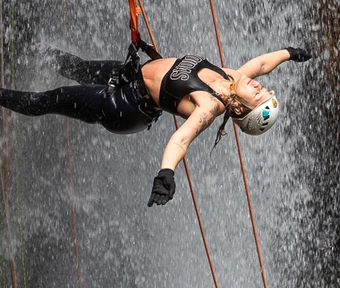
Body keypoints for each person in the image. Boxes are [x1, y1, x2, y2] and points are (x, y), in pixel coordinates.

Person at [0, 40, 311, 206]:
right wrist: (291, 53)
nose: (259, 86)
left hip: (123, 107)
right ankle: (31, 45)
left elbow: (182, 139)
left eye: (259, 96)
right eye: (263, 89)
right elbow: (261, 64)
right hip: (130, 76)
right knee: (77, 66)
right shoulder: (234, 78)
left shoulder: (210, 105)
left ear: (241, 109)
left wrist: (166, 174)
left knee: (52, 98)